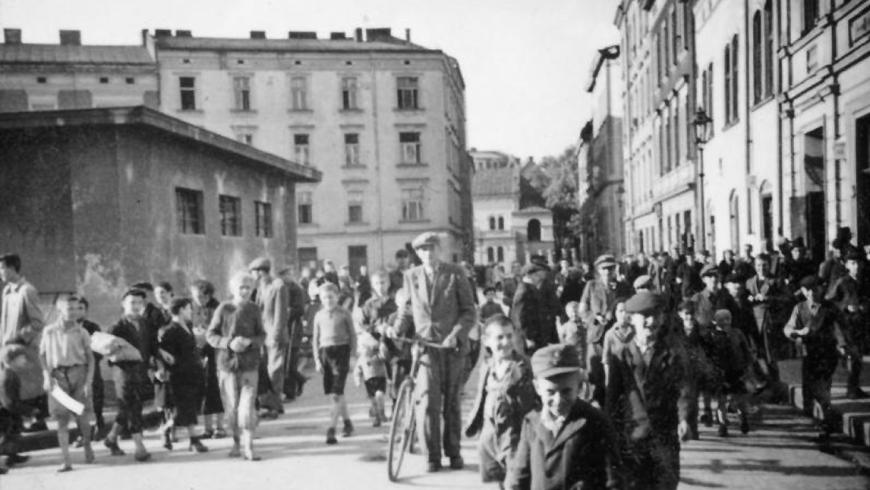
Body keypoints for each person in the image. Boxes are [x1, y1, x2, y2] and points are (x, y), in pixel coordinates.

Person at [390, 231, 475, 472]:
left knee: (451, 403)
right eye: (422, 250)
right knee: (427, 402)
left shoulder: (455, 273)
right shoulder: (411, 276)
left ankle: (454, 452)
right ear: (417, 253)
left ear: (439, 250)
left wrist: (455, 335)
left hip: (453, 348)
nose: (427, 253)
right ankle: (432, 456)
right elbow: (407, 308)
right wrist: (396, 328)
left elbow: (469, 311)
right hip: (426, 348)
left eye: (431, 248)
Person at [605, 290, 690, 490]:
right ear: (632, 319)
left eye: (656, 315)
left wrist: (684, 417)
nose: (651, 322)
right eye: (644, 316)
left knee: (666, 483)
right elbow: (612, 395)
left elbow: (684, 387)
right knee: (635, 484)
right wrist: (610, 431)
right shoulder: (621, 354)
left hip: (665, 435)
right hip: (633, 435)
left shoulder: (673, 352)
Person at [505, 343, 621, 490]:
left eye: (566, 391)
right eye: (550, 392)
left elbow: (613, 480)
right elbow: (519, 478)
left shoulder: (595, 421)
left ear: (579, 386)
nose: (559, 400)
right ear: (537, 388)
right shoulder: (532, 423)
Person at [464, 315, 537, 486]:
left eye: (509, 336)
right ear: (486, 341)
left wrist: (520, 385)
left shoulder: (523, 366)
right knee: (499, 481)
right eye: (500, 337)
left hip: (515, 438)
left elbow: (530, 405)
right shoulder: (488, 365)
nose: (506, 342)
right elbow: (481, 399)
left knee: (516, 483)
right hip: (490, 437)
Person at [206, 272, 266, 461]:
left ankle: (249, 447)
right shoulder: (224, 308)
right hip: (227, 366)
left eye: (248, 287)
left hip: (249, 365)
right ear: (233, 289)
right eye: (241, 287)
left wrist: (250, 342)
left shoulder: (255, 309)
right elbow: (211, 335)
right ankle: (235, 443)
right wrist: (228, 343)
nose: (245, 291)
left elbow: (262, 336)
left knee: (247, 406)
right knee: (231, 408)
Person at [783, 276, 846, 441]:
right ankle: (825, 419)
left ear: (821, 289)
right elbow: (788, 327)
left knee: (822, 386)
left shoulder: (830, 308)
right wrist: (796, 333)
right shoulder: (799, 308)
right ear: (803, 292)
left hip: (827, 353)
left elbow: (840, 329)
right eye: (808, 290)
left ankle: (827, 423)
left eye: (815, 289)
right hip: (809, 353)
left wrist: (843, 346)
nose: (812, 293)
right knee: (810, 389)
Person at [40, 295, 96, 472]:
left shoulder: (82, 332)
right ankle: (66, 460)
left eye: (76, 308)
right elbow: (42, 355)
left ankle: (87, 444)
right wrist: (46, 376)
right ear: (60, 310)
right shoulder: (49, 331)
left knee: (82, 415)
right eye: (69, 308)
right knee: (61, 419)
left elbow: (91, 359)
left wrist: (88, 381)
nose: (73, 312)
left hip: (78, 374)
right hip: (58, 377)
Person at [103, 289, 152, 462]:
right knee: (133, 405)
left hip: (141, 371)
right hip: (122, 371)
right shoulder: (117, 325)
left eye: (139, 303)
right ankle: (139, 447)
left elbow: (150, 346)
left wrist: (156, 363)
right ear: (123, 304)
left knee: (127, 407)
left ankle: (111, 438)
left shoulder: (145, 323)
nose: (136, 306)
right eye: (132, 302)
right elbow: (106, 348)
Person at [0, 254, 47, 433]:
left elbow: (37, 322)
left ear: (12, 268)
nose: (0, 273)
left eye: (2, 268)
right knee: (11, 391)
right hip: (8, 350)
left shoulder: (27, 290)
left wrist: (20, 338)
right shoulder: (7, 291)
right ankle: (19, 428)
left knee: (24, 389)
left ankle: (37, 418)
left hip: (23, 349)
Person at [579, 254, 631, 407]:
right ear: (598, 270)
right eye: (604, 269)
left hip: (617, 337)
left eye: (610, 268)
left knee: (617, 375)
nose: (607, 272)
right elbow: (583, 310)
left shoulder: (623, 287)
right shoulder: (591, 286)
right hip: (596, 338)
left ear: (615, 270)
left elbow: (629, 309)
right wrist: (594, 318)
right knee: (596, 377)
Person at [159, 298, 209, 453]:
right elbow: (165, 354)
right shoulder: (170, 331)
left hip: (194, 372)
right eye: (188, 309)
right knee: (187, 408)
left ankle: (166, 429)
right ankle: (194, 440)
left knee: (189, 408)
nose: (191, 312)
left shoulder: (187, 326)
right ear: (180, 310)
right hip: (180, 375)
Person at [312, 282, 357, 444]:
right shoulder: (319, 316)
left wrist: (352, 356)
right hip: (326, 353)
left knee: (336, 393)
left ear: (337, 297)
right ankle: (347, 423)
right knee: (337, 392)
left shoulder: (344, 313)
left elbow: (353, 335)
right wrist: (317, 359)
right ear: (321, 299)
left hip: (342, 352)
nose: (328, 300)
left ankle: (331, 428)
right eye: (325, 298)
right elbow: (315, 339)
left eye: (331, 297)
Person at [249, 257, 289, 420]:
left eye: (255, 273)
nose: (254, 277)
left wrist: (277, 335)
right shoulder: (259, 288)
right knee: (265, 372)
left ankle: (273, 405)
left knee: (275, 371)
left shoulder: (277, 286)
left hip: (274, 335)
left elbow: (281, 314)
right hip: (262, 335)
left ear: (262, 272)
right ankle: (272, 405)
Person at [826, 250, 870, 399]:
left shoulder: (865, 282)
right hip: (845, 326)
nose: (856, 266)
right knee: (852, 356)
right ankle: (851, 389)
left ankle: (854, 387)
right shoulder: (842, 282)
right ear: (847, 265)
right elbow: (829, 302)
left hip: (861, 325)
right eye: (853, 263)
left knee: (857, 358)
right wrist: (845, 307)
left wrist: (865, 306)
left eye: (858, 263)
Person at [706, 309, 753, 437]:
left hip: (737, 370)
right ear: (715, 321)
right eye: (721, 320)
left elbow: (746, 350)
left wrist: (748, 366)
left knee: (738, 399)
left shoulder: (737, 333)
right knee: (721, 400)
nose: (725, 322)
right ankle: (722, 425)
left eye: (728, 319)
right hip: (720, 371)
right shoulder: (711, 335)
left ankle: (743, 418)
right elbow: (708, 355)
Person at [189, 280, 225, 438]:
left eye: (202, 297)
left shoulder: (217, 308)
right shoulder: (192, 308)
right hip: (199, 354)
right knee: (203, 391)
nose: (198, 300)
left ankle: (220, 426)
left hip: (216, 353)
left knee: (216, 390)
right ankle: (207, 427)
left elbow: (223, 330)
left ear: (208, 295)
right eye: (196, 296)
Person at [676, 300, 714, 440]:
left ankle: (693, 427)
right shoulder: (676, 330)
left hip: (696, 369)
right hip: (680, 368)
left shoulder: (701, 330)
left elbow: (708, 349)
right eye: (686, 313)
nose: (689, 317)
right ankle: (684, 425)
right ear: (680, 314)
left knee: (694, 398)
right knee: (682, 397)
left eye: (692, 313)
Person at [74, 297, 105, 445]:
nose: (77, 311)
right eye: (75, 308)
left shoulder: (93, 327)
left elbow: (99, 349)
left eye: (81, 308)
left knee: (96, 398)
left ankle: (100, 427)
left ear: (86, 311)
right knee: (77, 402)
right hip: (75, 370)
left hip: (92, 368)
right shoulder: (67, 328)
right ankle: (82, 433)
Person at [0, 344, 33, 474]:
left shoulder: (10, 373)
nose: (25, 359)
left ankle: (12, 456)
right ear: (12, 360)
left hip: (8, 411)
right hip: (4, 413)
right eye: (21, 357)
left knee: (13, 433)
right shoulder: (9, 377)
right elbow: (9, 403)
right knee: (3, 438)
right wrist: (27, 411)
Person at [278, 268, 309, 401]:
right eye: (283, 275)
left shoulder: (296, 289)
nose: (285, 278)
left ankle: (291, 391)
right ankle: (298, 381)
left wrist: (287, 312)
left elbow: (300, 309)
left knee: (289, 361)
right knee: (285, 362)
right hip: (285, 328)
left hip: (294, 329)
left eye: (287, 275)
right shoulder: (282, 288)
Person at [511, 262, 551, 354]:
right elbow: (519, 317)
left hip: (538, 334)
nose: (539, 278)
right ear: (529, 276)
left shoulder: (530, 288)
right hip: (531, 337)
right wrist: (528, 337)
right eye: (536, 275)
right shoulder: (523, 291)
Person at [353, 332, 387, 427]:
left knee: (379, 395)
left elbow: (384, 357)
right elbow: (357, 370)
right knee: (373, 400)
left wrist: (381, 348)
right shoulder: (361, 358)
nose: (365, 350)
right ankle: (377, 416)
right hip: (369, 381)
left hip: (380, 378)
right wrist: (357, 380)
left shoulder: (377, 355)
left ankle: (381, 412)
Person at [556, 301, 585, 365]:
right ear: (567, 313)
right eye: (571, 312)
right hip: (573, 358)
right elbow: (561, 343)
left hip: (586, 356)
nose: (574, 314)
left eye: (576, 311)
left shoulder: (585, 324)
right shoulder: (565, 328)